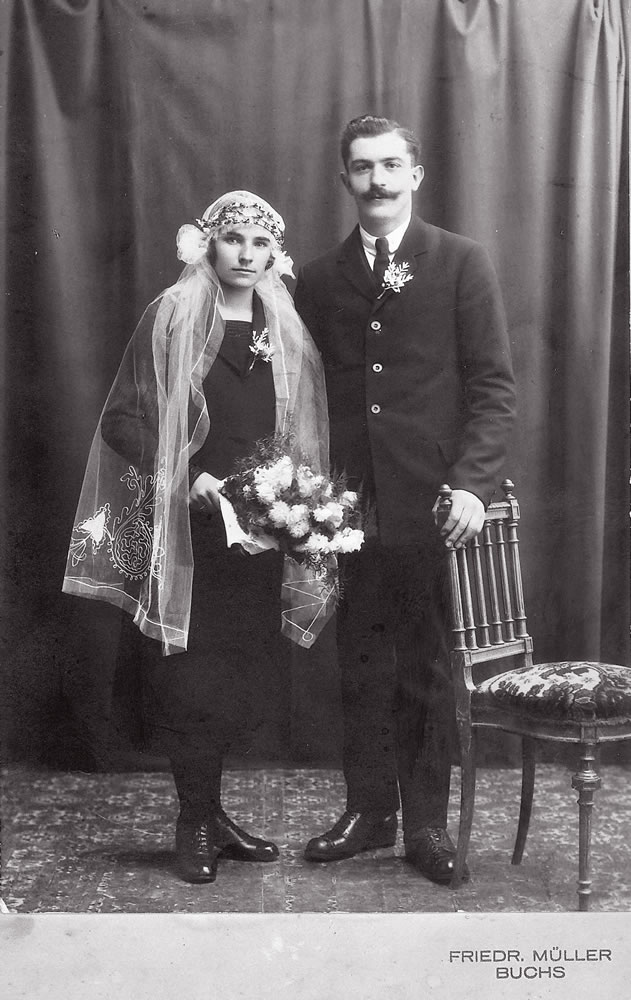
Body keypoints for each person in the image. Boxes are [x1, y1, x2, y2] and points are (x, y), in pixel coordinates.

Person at [63, 191, 329, 885]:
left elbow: (296, 429)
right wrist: (189, 475)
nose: (247, 254)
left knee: (238, 676)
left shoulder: (282, 323)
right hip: (189, 537)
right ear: (207, 244)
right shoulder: (174, 313)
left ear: (275, 255)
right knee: (190, 680)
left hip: (257, 537)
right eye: (234, 238)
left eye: (260, 243)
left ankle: (215, 814)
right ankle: (193, 823)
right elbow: (123, 420)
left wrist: (290, 502)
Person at [294, 115, 516, 885]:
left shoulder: (458, 260)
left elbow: (492, 388)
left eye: (391, 165)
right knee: (358, 662)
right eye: (362, 167)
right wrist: (310, 497)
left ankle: (424, 825)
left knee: (422, 667)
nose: (378, 180)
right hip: (347, 511)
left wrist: (472, 485)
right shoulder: (318, 279)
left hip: (432, 508)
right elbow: (306, 397)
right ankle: (368, 813)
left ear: (415, 175)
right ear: (345, 180)